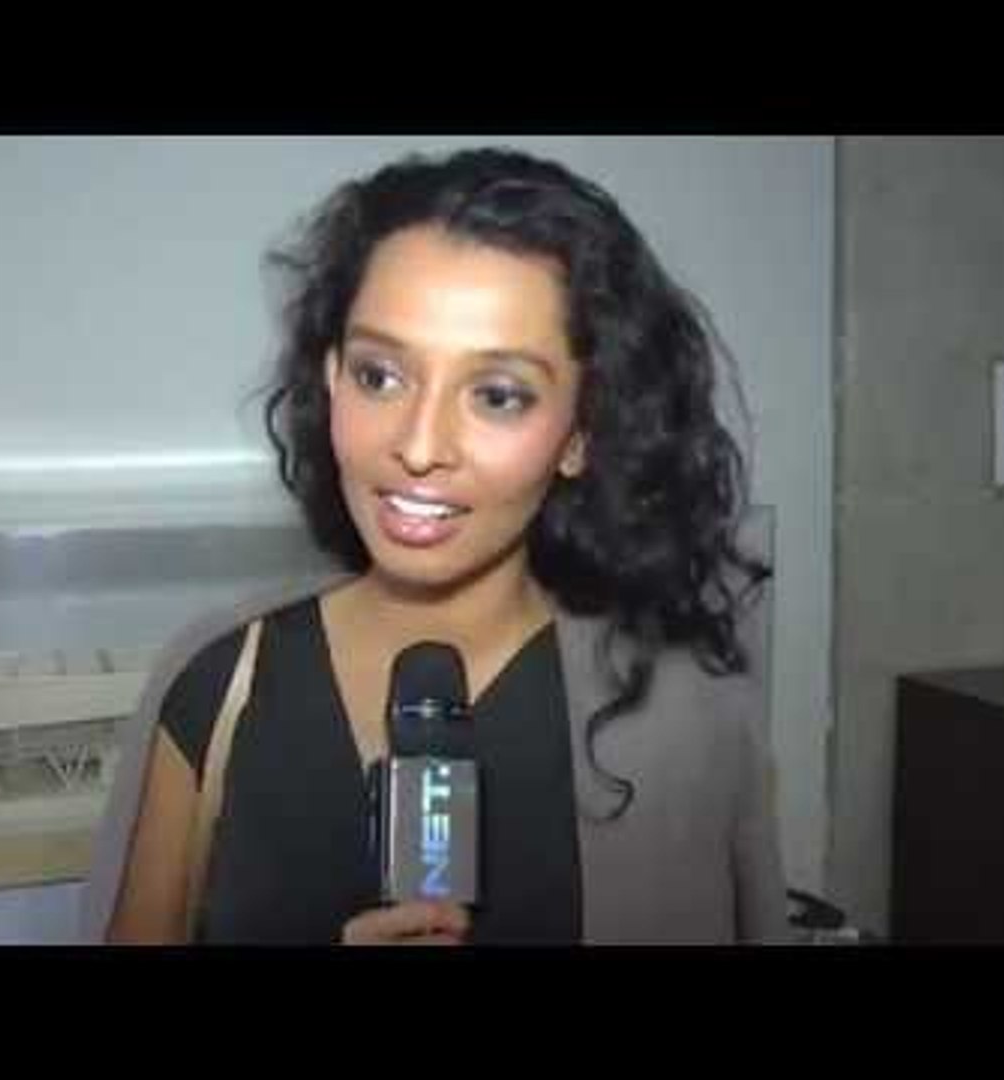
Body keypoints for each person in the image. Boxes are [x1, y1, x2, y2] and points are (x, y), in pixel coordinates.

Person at [81, 146, 789, 945]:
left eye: (498, 396)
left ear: (581, 432)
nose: (418, 447)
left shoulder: (681, 713)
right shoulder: (217, 681)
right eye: (381, 376)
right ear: (331, 377)